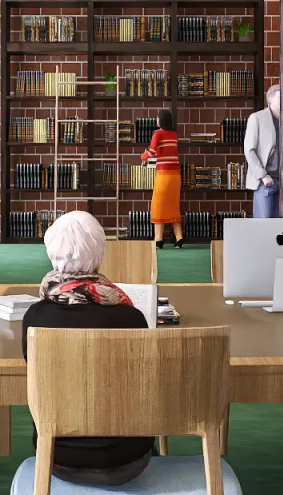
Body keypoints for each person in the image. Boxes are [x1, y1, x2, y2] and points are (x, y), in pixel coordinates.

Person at [21, 211, 154, 485]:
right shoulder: (131, 318)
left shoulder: (35, 319)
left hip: (57, 458)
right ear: (100, 254)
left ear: (51, 253)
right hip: (128, 460)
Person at [142, 109, 183, 248]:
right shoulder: (173, 134)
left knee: (157, 205)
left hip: (164, 175)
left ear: (160, 120)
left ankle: (158, 239)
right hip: (176, 175)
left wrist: (142, 156)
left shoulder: (157, 133)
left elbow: (152, 152)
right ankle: (179, 238)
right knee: (173, 206)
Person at [244, 84, 282, 218]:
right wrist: (263, 175)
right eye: (281, 97)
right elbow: (249, 150)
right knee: (263, 224)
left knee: (281, 229)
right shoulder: (257, 118)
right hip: (265, 180)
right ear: (270, 99)